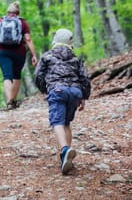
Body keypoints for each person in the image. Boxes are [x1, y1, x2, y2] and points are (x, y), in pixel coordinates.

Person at [33, 28, 91, 174]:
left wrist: (45, 89)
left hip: (57, 90)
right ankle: (66, 158)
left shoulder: (47, 56)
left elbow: (38, 75)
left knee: (57, 122)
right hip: (75, 92)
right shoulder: (75, 58)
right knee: (66, 123)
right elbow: (84, 78)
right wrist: (83, 96)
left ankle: (65, 151)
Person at [0, 1, 37, 110]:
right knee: (16, 76)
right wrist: (34, 55)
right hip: (19, 52)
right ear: (18, 12)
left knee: (7, 76)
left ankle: (9, 102)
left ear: (8, 12)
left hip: (3, 51)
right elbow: (28, 39)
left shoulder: (0, 21)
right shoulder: (23, 23)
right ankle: (13, 101)